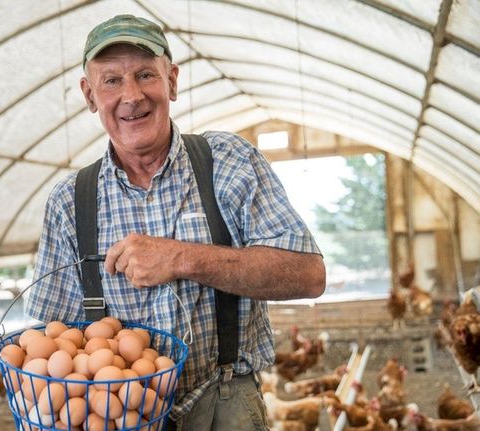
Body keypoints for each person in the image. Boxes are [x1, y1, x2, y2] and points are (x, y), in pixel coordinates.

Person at [25, 14, 325, 430]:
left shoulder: (228, 162)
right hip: (122, 413)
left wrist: (182, 258)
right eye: (111, 80)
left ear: (172, 81)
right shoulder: (71, 202)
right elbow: (50, 338)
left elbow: (308, 275)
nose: (131, 96)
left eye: (146, 74)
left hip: (225, 399)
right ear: (89, 95)